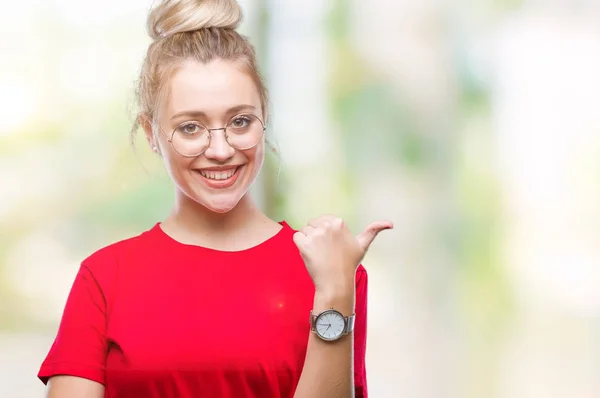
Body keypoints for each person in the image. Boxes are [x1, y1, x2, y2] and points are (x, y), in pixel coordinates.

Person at [37, 0, 392, 397]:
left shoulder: (332, 270)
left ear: (265, 117)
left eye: (240, 121)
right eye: (191, 127)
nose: (221, 150)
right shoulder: (104, 278)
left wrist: (333, 292)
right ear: (152, 133)